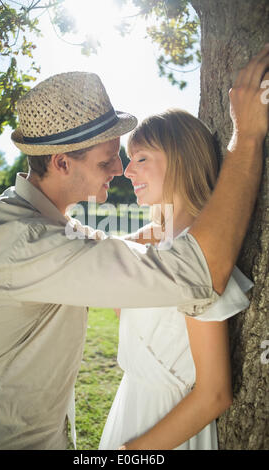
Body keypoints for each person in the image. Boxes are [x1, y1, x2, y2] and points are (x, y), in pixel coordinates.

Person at [0, 46, 268, 450]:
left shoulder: (37, 223)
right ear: (61, 163)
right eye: (108, 160)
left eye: (130, 158)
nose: (120, 171)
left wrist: (171, 220)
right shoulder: (30, 244)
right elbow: (196, 273)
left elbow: (113, 249)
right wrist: (246, 137)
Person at [99, 109, 254, 450]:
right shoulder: (159, 243)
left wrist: (133, 452)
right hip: (130, 405)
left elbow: (214, 394)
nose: (127, 171)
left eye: (141, 158)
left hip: (167, 429)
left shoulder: (200, 259)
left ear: (181, 161)